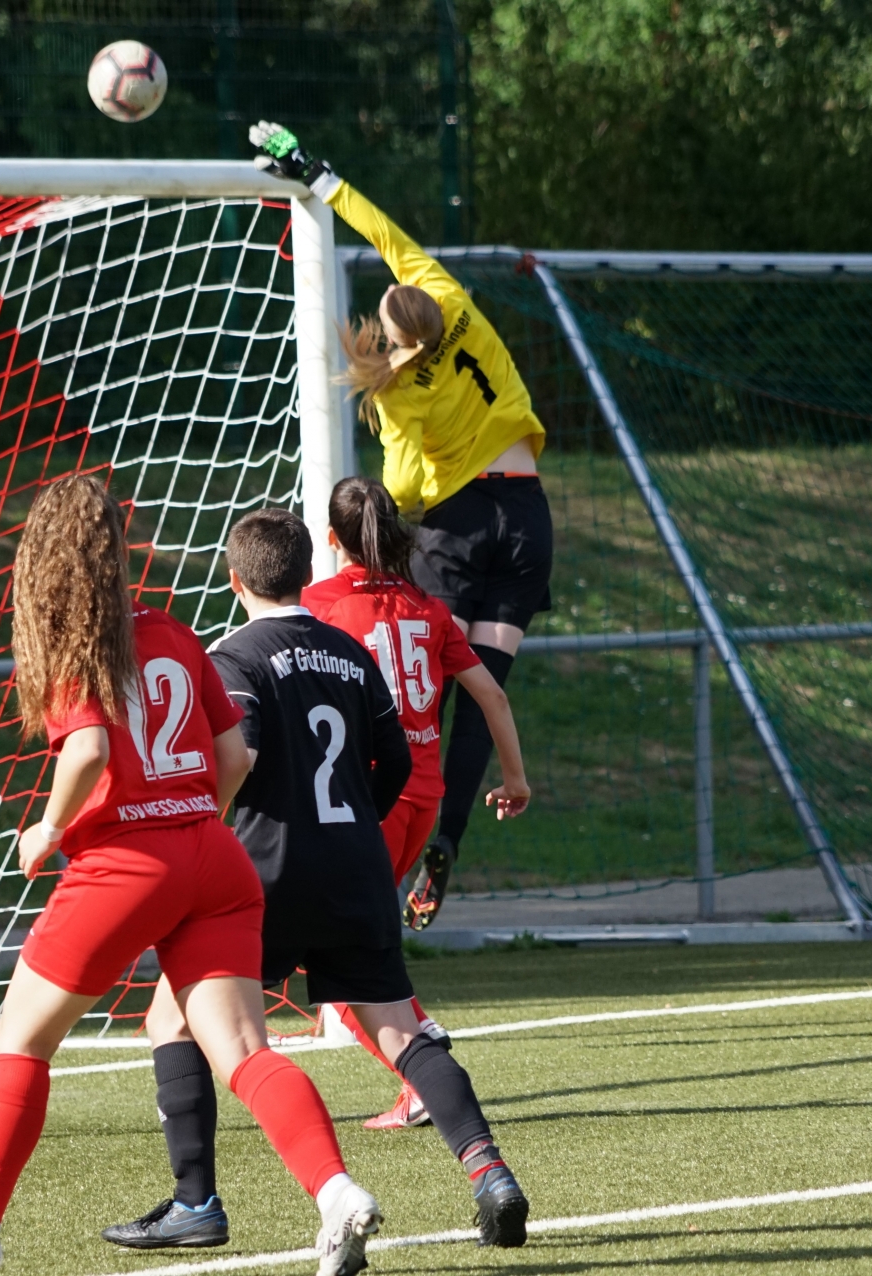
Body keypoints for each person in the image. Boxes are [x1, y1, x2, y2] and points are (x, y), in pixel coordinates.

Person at [0, 476, 381, 1276]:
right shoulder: (174, 631)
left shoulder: (73, 642)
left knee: (22, 1040)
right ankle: (335, 1194)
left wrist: (48, 829)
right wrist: (197, 827)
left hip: (126, 861)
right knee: (244, 1053)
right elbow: (234, 756)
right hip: (211, 852)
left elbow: (87, 750)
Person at [102, 509, 531, 1252]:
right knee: (400, 1029)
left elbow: (237, 752)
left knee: (174, 1020)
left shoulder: (231, 656)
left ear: (235, 580)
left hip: (265, 871)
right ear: (308, 574)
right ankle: (489, 1170)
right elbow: (395, 762)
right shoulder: (348, 650)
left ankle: (195, 1201)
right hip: (356, 865)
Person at [251, 119, 552, 929]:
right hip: (526, 514)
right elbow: (387, 233)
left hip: (455, 525)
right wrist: (322, 174)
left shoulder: (399, 394)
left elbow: (405, 490)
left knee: (419, 681)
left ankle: (377, 827)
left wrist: (308, 174)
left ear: (392, 335)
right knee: (486, 683)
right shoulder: (451, 299)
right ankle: (451, 833)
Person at [303, 475, 532, 1128]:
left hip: (359, 803)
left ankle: (424, 1063)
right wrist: (514, 780)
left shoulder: (319, 605)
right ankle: (419, 1079)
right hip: (421, 800)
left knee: (335, 964)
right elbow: (492, 695)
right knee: (362, 945)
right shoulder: (428, 609)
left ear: (331, 541)